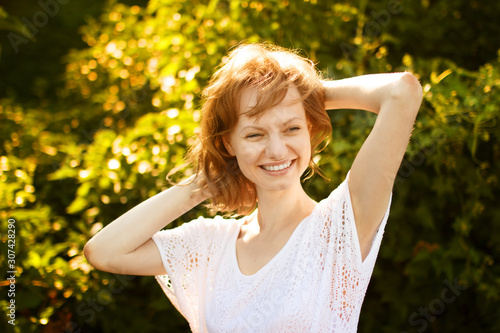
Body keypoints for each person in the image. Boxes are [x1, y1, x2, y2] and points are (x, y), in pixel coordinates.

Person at [84, 43, 423, 332]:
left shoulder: (340, 230)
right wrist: (203, 184)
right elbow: (104, 252)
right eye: (254, 134)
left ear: (309, 129)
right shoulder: (210, 244)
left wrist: (302, 92)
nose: (276, 150)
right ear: (228, 143)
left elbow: (401, 91)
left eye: (291, 128)